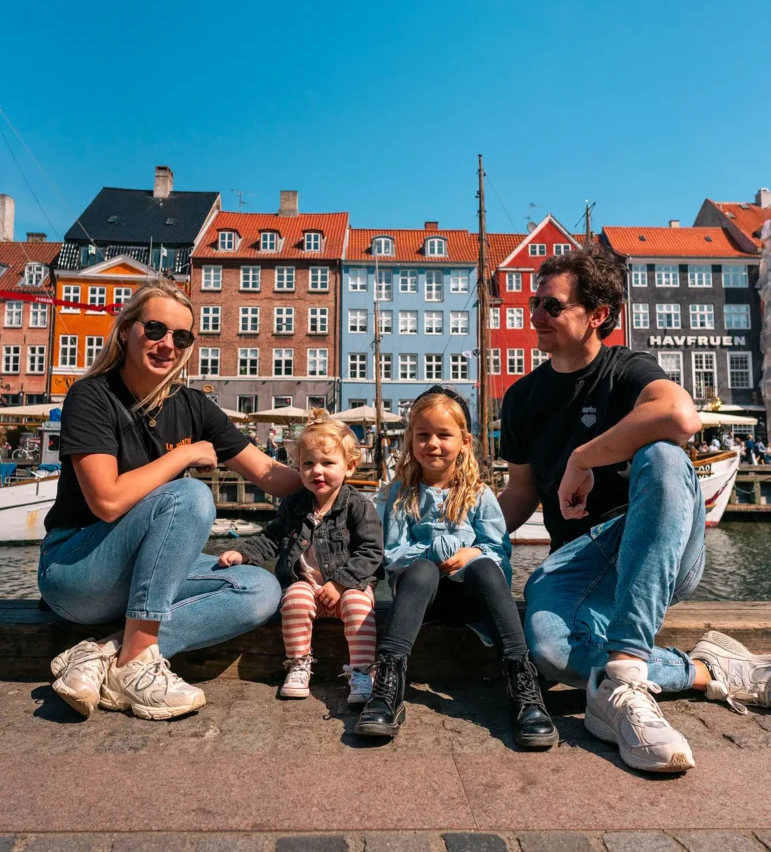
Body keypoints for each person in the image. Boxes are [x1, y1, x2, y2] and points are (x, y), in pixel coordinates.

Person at [498, 246, 771, 773]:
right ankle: (699, 668)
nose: (535, 315)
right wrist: (463, 539)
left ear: (597, 314)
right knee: (551, 652)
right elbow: (519, 494)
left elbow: (679, 414)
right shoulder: (522, 397)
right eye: (534, 303)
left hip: (650, 545)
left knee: (667, 456)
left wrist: (583, 457)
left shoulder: (627, 369)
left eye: (551, 306)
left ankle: (623, 671)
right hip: (578, 563)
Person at [41, 279, 302, 721]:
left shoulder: (192, 406)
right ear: (126, 330)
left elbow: (269, 475)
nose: (168, 345)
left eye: (181, 337)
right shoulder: (91, 396)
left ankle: (106, 653)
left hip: (143, 577)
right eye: (156, 329)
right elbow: (106, 501)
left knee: (261, 589)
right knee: (190, 496)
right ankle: (139, 665)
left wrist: (333, 479)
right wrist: (184, 454)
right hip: (76, 572)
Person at [355, 386, 557, 748]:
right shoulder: (402, 494)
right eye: (423, 435)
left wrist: (474, 552)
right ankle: (388, 683)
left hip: (470, 597)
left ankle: (522, 682)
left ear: (464, 441)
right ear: (411, 440)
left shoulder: (479, 494)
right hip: (422, 597)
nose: (432, 443)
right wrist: (435, 551)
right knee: (420, 570)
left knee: (484, 567)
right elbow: (394, 554)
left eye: (443, 435)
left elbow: (499, 550)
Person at [217, 410, 383, 703]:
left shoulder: (358, 506)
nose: (317, 471)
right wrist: (242, 553)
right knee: (293, 597)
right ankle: (298, 663)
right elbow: (272, 538)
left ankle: (362, 670)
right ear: (298, 466)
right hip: (307, 584)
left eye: (328, 463)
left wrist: (341, 583)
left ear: (350, 467)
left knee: (358, 606)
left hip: (348, 587)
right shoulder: (294, 505)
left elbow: (371, 552)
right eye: (308, 464)